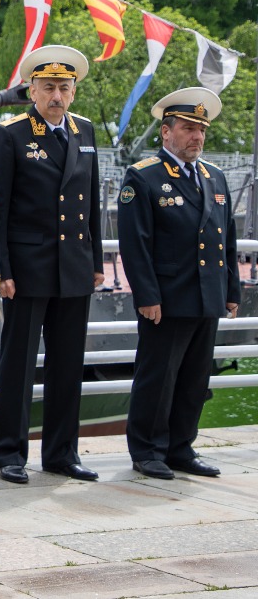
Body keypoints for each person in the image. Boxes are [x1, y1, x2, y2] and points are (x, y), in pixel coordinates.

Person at [0, 45, 104, 484]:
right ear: (32, 89)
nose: (57, 95)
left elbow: (91, 198)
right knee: (18, 364)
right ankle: (9, 452)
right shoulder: (11, 134)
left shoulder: (85, 131)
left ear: (74, 92)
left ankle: (61, 453)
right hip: (28, 266)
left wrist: (94, 258)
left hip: (73, 264)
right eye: (49, 86)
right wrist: (3, 270)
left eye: (65, 87)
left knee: (68, 363)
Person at [118, 87, 238, 480]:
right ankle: (147, 449)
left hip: (207, 294)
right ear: (166, 131)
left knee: (194, 376)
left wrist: (231, 291)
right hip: (167, 298)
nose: (196, 137)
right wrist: (147, 295)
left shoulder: (214, 177)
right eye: (188, 128)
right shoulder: (145, 176)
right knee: (159, 375)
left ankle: (181, 447)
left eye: (201, 130)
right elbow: (135, 245)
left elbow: (228, 237)